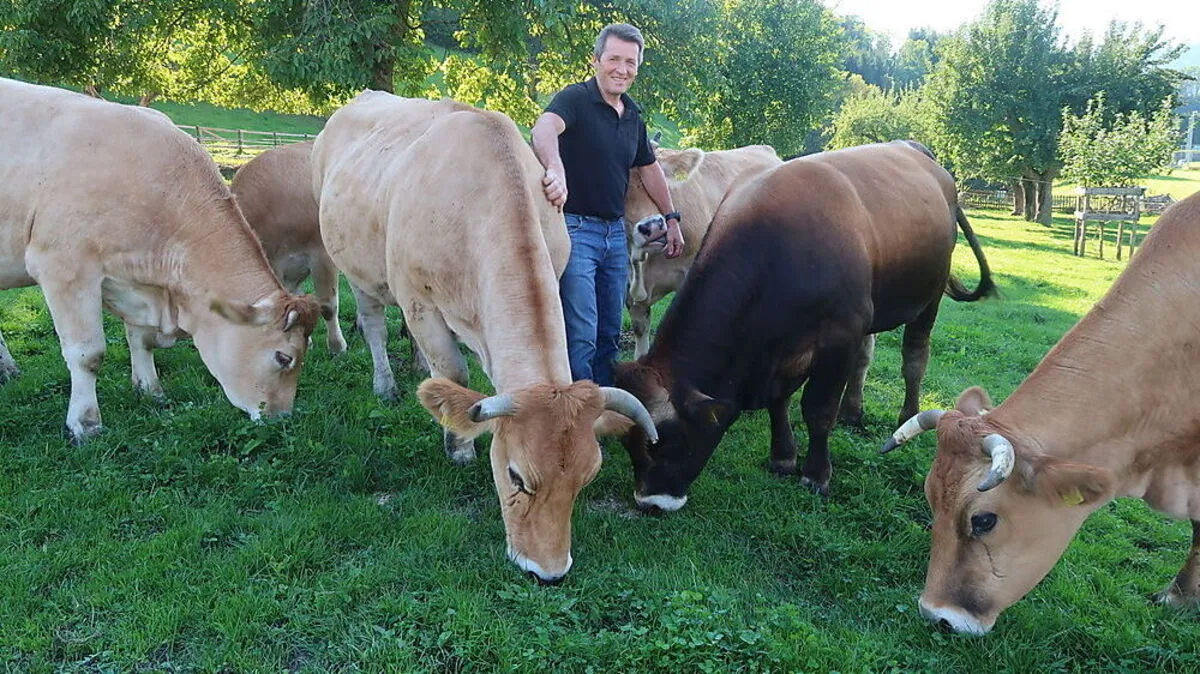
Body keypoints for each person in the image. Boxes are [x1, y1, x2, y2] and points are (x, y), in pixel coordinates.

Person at [531, 22, 683, 386]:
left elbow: (648, 169)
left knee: (610, 328)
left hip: (616, 234)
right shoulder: (576, 99)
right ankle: (579, 407)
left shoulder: (632, 116)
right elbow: (543, 129)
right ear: (597, 60)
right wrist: (556, 167)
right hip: (575, 229)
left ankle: (601, 400)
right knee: (581, 328)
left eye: (630, 62)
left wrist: (672, 218)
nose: (622, 69)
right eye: (614, 59)